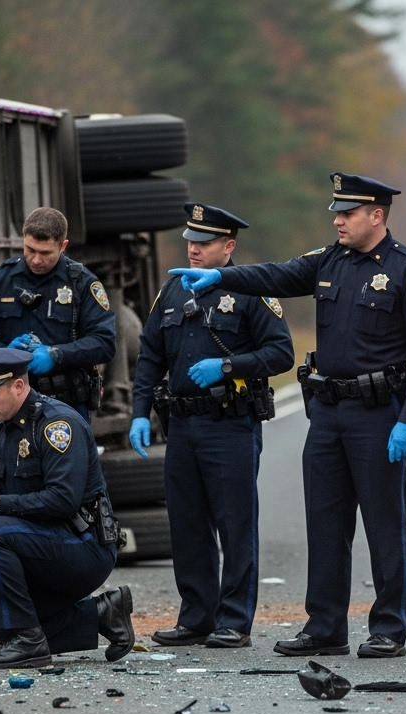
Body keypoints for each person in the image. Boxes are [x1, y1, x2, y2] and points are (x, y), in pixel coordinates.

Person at [171, 173, 406, 659]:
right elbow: (273, 275)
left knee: (384, 525)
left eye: (348, 213)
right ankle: (325, 626)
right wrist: (222, 276)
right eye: (336, 212)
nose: (337, 220)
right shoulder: (328, 261)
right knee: (324, 523)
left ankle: (389, 628)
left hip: (378, 414)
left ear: (376, 216)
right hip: (328, 415)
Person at [128, 203, 294, 649]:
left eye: (203, 244)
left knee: (235, 524)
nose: (194, 250)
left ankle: (234, 620)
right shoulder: (174, 290)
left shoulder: (251, 291)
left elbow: (281, 353)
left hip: (229, 425)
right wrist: (140, 411)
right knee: (187, 525)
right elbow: (149, 355)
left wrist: (227, 365)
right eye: (190, 242)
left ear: (228, 246)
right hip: (181, 425)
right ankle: (196, 617)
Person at [0, 347, 135, 668]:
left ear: (19, 386)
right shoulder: (2, 425)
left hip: (82, 546)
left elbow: (63, 500)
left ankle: (28, 641)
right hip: (39, 544)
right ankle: (103, 614)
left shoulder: (58, 425)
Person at [0, 207, 116, 420]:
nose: (36, 260)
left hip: (65, 405)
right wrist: (4, 353)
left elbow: (105, 342)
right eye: (30, 250)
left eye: (45, 253)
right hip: (10, 407)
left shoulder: (82, 284)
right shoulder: (1, 279)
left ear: (63, 246)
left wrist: (57, 355)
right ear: (24, 239)